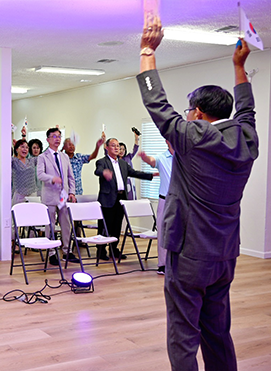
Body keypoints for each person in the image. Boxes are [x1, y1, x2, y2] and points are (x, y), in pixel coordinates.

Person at [138, 16, 258, 371]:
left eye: (189, 110)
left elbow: (156, 105)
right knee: (217, 330)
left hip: (189, 254)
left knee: (183, 333)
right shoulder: (246, 138)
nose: (186, 115)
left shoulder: (195, 137)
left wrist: (147, 51)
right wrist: (239, 67)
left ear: (200, 114)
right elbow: (247, 110)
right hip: (224, 255)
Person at [94, 138, 153, 260]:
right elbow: (98, 171)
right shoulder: (102, 162)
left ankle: (113, 249)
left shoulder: (123, 163)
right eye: (113, 146)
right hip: (107, 198)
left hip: (121, 198)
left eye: (118, 146)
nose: (117, 148)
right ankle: (101, 250)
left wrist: (151, 175)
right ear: (107, 147)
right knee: (105, 226)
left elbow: (134, 173)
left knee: (117, 225)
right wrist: (104, 172)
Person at [36, 128, 78, 266]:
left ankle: (67, 251)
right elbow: (40, 174)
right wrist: (52, 178)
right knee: (51, 226)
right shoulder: (43, 157)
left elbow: (71, 177)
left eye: (59, 136)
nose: (57, 139)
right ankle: (52, 252)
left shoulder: (64, 156)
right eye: (54, 136)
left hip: (63, 197)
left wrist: (72, 192)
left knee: (66, 225)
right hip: (50, 196)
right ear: (48, 139)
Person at [138, 140, 174, 275]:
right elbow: (152, 161)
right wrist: (145, 158)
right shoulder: (162, 157)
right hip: (165, 200)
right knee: (163, 232)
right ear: (167, 141)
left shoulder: (184, 156)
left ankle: (177, 264)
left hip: (181, 201)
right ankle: (163, 264)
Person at [12, 139, 38, 205]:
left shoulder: (32, 160)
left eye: (27, 147)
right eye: (22, 147)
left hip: (32, 194)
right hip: (19, 194)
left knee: (32, 214)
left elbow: (45, 155)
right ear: (17, 149)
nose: (25, 149)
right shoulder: (14, 161)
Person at [118, 130, 140, 200]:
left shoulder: (128, 157)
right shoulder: (114, 160)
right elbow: (106, 153)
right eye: (120, 149)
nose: (121, 151)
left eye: (123, 149)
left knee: (131, 200)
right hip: (120, 184)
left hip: (130, 182)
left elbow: (135, 149)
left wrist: (136, 138)